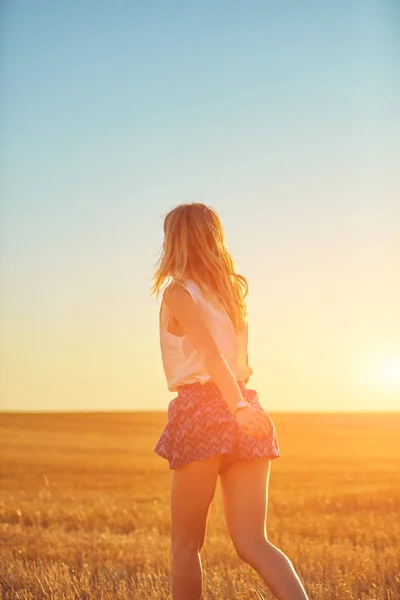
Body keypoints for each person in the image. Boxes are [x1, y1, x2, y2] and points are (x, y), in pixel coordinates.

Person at [151, 202, 309, 600]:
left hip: (206, 409)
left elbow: (209, 355)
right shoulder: (230, 294)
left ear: (174, 242)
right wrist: (242, 407)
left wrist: (233, 409)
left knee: (186, 546)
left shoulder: (178, 292)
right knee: (255, 543)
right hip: (248, 405)